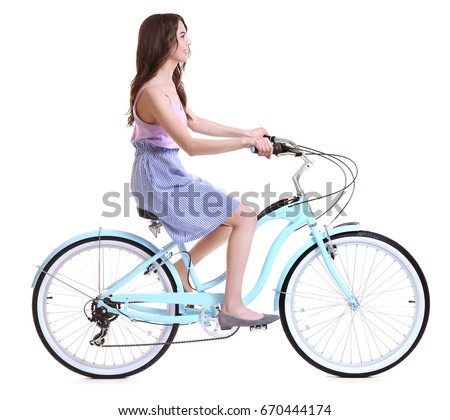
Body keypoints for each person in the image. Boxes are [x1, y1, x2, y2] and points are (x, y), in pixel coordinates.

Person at [128, 13, 278, 328]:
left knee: (227, 221)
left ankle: (181, 271)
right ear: (163, 41)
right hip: (159, 177)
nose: (189, 41)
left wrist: (247, 132)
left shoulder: (169, 84)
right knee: (245, 217)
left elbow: (193, 122)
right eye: (182, 35)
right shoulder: (153, 92)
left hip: (167, 171)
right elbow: (191, 145)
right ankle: (233, 305)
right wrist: (243, 143)